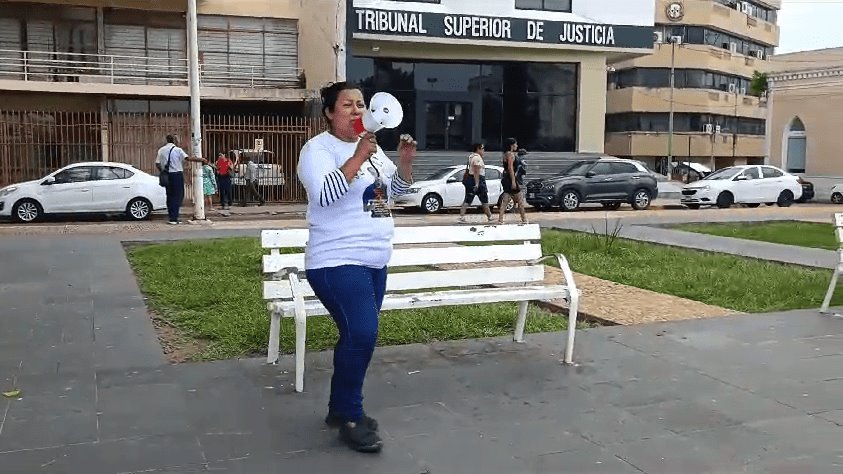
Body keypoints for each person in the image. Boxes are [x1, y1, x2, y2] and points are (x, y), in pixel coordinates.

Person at [297, 81, 416, 454]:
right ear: (330, 113)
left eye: (361, 104)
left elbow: (387, 196)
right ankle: (351, 416)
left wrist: (406, 165)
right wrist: (358, 157)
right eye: (347, 105)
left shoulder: (374, 151)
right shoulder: (317, 150)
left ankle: (340, 408)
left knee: (356, 336)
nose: (356, 110)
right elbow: (325, 195)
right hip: (336, 259)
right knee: (362, 334)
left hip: (373, 260)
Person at [156, 134, 204, 225]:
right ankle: (174, 218)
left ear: (167, 140)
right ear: (174, 140)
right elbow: (188, 158)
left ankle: (171, 217)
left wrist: (163, 171)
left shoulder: (161, 150)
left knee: (169, 196)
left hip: (167, 175)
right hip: (176, 175)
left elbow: (157, 163)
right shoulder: (178, 150)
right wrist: (201, 159)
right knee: (178, 196)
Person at [458, 143, 492, 223]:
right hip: (478, 180)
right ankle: (489, 216)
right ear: (478, 149)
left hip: (471, 179)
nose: (484, 150)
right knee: (484, 199)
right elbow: (476, 171)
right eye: (482, 148)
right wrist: (477, 183)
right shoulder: (477, 158)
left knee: (468, 199)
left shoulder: (471, 156)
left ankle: (462, 216)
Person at [498, 137, 529, 225]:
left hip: (506, 178)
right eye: (515, 144)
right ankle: (524, 219)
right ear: (511, 145)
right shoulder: (510, 155)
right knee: (520, 199)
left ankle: (500, 219)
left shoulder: (505, 154)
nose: (517, 145)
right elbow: (510, 168)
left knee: (506, 199)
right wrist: (513, 181)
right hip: (510, 178)